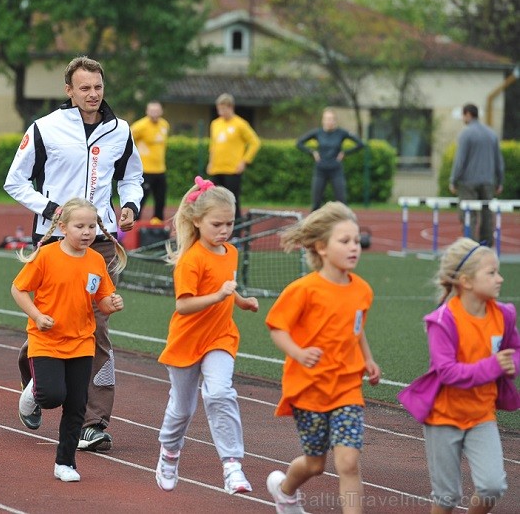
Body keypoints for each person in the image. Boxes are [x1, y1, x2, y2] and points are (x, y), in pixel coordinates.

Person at [4, 55, 143, 452]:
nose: (93, 94)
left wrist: (129, 203)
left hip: (100, 241)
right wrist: (54, 212)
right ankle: (34, 377)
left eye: (98, 87)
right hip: (51, 238)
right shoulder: (45, 129)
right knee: (55, 319)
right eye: (84, 88)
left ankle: (93, 422)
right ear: (69, 91)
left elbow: (132, 175)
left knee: (97, 327)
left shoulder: (120, 130)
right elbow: (15, 182)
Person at [264, 201, 381, 514]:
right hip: (310, 388)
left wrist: (367, 358)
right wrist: (299, 353)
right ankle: (285, 490)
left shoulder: (363, 290)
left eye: (356, 241)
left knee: (348, 462)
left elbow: (357, 329)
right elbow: (277, 328)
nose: (354, 247)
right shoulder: (304, 290)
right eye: (344, 241)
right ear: (321, 247)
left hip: (347, 387)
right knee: (315, 464)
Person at [397, 238, 519, 514]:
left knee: (492, 486)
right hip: (443, 418)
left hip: (481, 416)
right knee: (446, 497)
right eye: (492, 272)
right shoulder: (443, 320)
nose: (500, 279)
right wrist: (495, 366)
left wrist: (513, 363)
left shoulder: (503, 314)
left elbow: (515, 349)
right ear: (466, 281)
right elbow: (448, 372)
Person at [155, 176, 259, 494]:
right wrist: (218, 297)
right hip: (187, 341)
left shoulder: (230, 252)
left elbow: (226, 288)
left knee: (219, 393)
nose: (224, 230)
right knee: (182, 409)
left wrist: (241, 301)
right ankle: (169, 455)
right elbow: (184, 305)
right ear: (197, 221)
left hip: (220, 337)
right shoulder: (190, 260)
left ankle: (232, 465)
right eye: (217, 224)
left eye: (229, 223)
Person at [12, 198, 126, 482]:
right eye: (79, 226)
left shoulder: (97, 260)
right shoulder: (47, 256)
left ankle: (66, 463)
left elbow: (102, 301)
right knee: (52, 396)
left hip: (81, 342)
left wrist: (113, 303)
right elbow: (18, 289)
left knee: (76, 405)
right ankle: (34, 390)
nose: (86, 232)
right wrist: (37, 316)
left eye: (91, 226)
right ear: (63, 227)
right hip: (47, 340)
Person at [449, 103, 504, 247]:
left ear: (467, 114)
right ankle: (486, 244)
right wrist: (500, 181)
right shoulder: (491, 134)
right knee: (487, 213)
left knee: (469, 214)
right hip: (488, 181)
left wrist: (453, 180)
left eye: (463, 115)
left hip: (468, 182)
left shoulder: (466, 134)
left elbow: (460, 160)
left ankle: (471, 245)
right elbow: (499, 160)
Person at [296, 108, 365, 212]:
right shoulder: (317, 132)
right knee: (316, 203)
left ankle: (346, 226)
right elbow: (299, 143)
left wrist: (345, 153)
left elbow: (360, 144)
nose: (329, 121)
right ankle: (313, 226)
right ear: (323, 120)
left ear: (335, 121)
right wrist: (312, 152)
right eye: (327, 119)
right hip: (320, 170)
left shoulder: (341, 133)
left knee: (342, 202)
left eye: (332, 119)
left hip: (336, 170)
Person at [207, 93, 260, 223]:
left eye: (223, 109)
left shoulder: (240, 124)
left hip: (232, 169)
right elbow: (213, 145)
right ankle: (218, 223)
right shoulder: (215, 124)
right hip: (217, 168)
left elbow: (255, 142)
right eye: (219, 109)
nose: (220, 112)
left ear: (230, 107)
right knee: (216, 199)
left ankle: (236, 228)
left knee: (232, 199)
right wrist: (210, 162)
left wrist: (244, 161)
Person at [131, 101, 170, 223]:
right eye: (152, 111)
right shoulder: (139, 126)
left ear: (161, 111)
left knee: (160, 200)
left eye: (157, 111)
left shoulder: (164, 125)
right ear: (147, 111)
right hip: (145, 170)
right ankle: (134, 226)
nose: (154, 113)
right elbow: (126, 141)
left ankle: (158, 228)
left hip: (160, 169)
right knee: (141, 200)